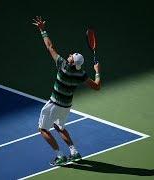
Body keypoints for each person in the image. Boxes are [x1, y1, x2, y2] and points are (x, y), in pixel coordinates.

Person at [33, 16, 102, 166]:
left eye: (71, 56)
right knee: (59, 127)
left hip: (54, 104)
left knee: (43, 129)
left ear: (71, 61)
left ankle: (60, 155)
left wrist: (43, 30)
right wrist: (97, 71)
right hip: (66, 106)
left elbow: (50, 47)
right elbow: (97, 86)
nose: (70, 54)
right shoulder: (81, 74)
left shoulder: (62, 65)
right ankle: (74, 152)